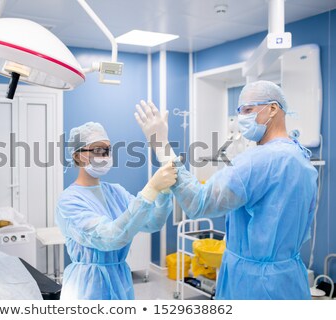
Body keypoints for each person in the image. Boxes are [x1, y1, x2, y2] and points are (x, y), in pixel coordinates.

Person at [134, 80, 318, 300]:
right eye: (240, 112)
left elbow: (198, 202)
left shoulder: (255, 161)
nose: (243, 118)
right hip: (289, 280)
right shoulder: (302, 159)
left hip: (253, 286)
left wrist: (161, 143)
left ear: (273, 108)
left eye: (249, 110)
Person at [55, 122, 177, 300]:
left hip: (121, 282)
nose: (105, 156)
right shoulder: (69, 201)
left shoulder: (116, 191)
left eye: (108, 150)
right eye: (98, 150)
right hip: (87, 288)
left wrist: (163, 193)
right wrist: (150, 189)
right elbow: (109, 238)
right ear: (79, 156)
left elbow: (153, 223)